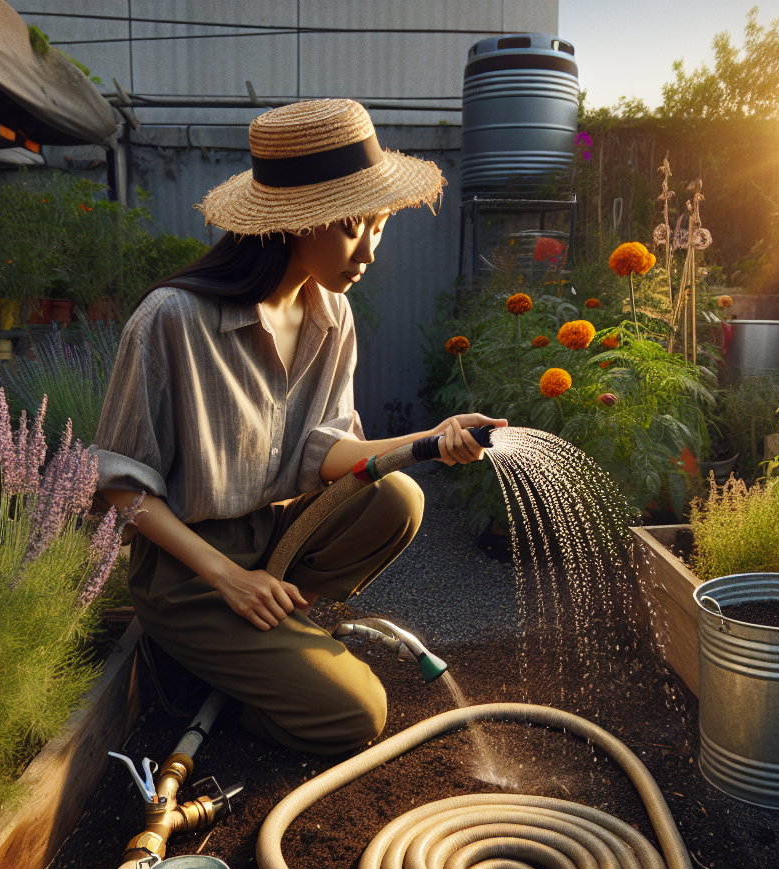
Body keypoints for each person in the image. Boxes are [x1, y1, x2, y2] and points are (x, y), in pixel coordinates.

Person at [93, 99, 505, 756]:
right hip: (188, 571)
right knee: (358, 712)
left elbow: (327, 453)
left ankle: (276, 636)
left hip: (276, 537)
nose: (368, 250)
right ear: (292, 224)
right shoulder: (171, 320)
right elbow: (122, 488)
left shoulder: (331, 314)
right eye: (349, 228)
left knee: (400, 497)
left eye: (378, 225)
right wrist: (229, 579)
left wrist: (431, 440)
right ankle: (229, 678)